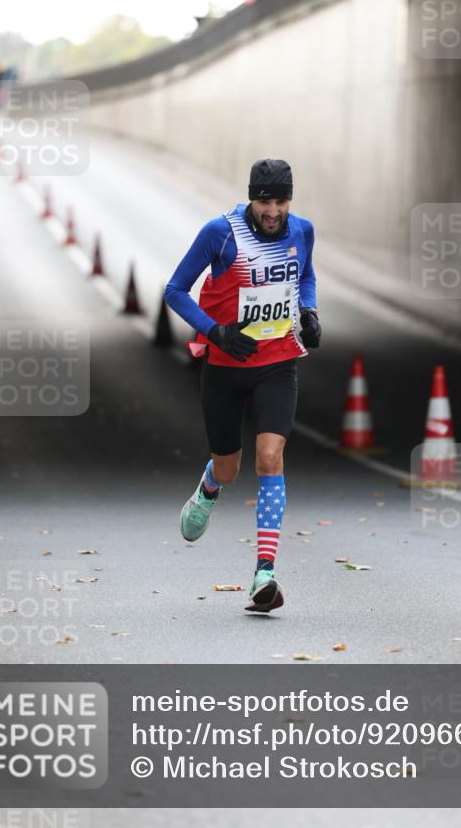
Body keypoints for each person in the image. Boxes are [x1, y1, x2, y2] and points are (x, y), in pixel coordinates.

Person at [165, 159, 321, 612]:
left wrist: (309, 312)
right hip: (226, 364)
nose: (273, 211)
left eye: (281, 201)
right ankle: (210, 487)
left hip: (278, 363)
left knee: (271, 457)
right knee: (230, 468)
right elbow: (175, 290)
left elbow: (305, 275)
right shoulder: (221, 232)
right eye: (265, 201)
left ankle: (265, 574)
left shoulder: (303, 231)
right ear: (252, 197)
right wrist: (215, 332)